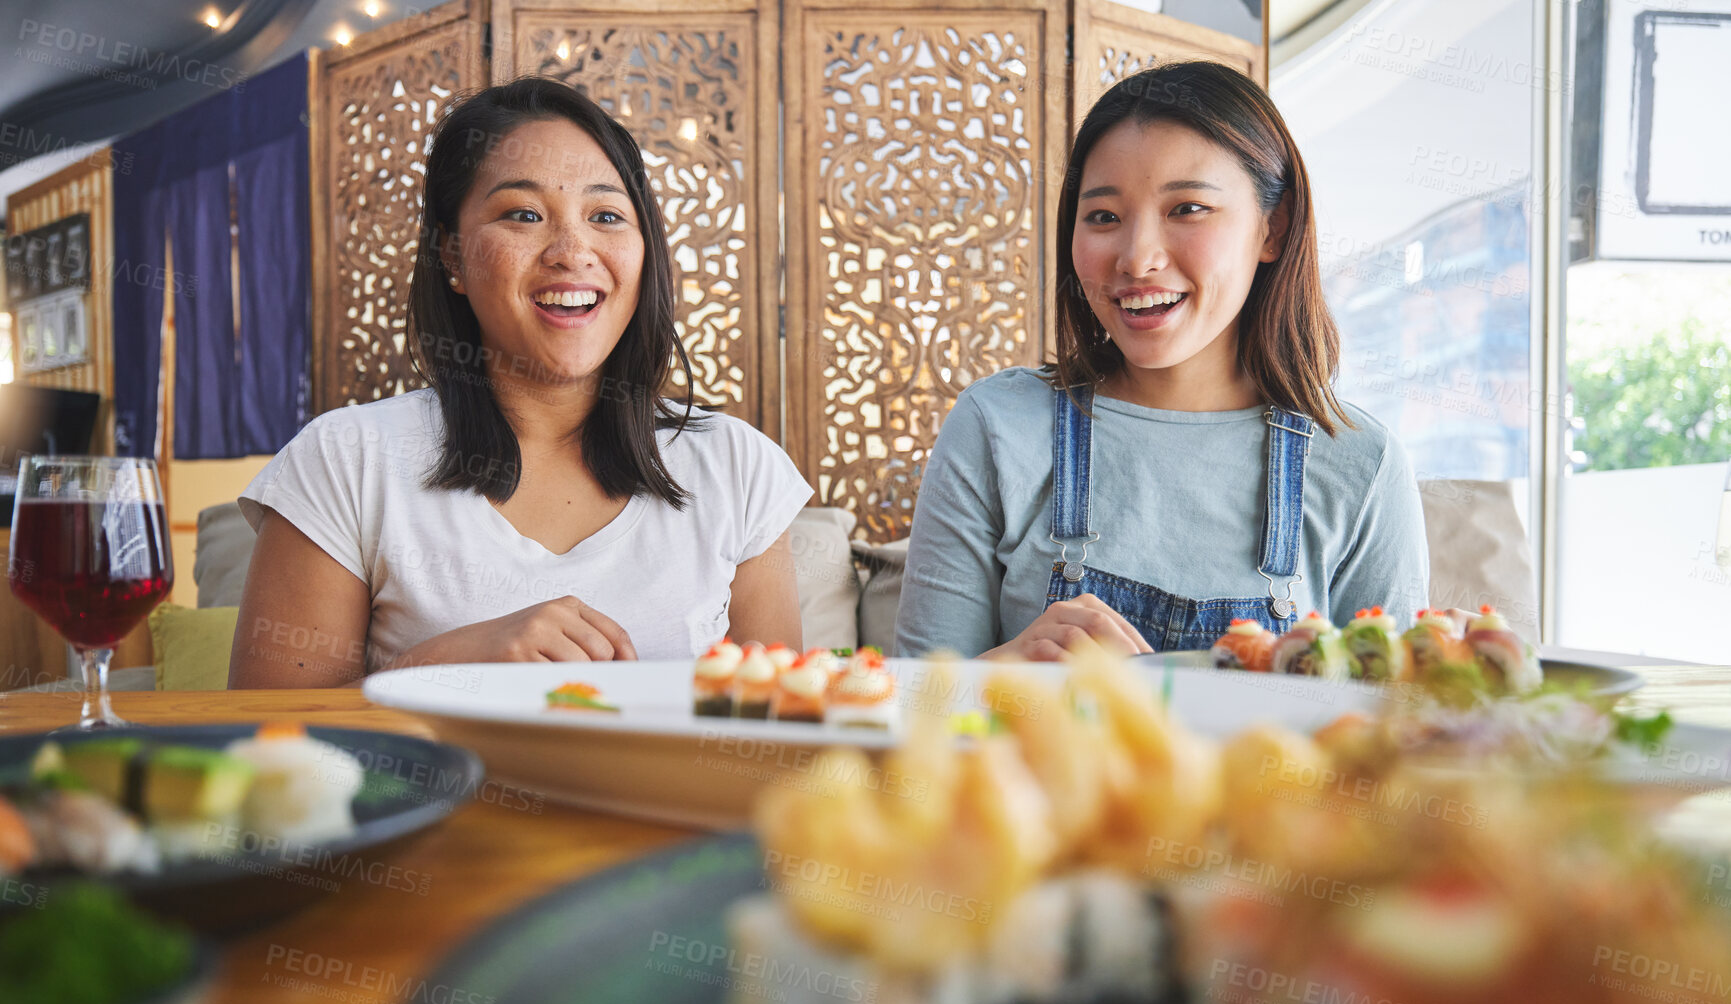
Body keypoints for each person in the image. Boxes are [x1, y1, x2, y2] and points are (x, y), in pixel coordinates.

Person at [231, 78, 810, 688]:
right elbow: (264, 745)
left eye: (607, 215)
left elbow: (779, 739)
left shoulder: (738, 467)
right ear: (452, 257)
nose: (572, 250)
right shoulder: (346, 461)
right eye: (524, 214)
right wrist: (449, 664)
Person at [895, 61, 1428, 661]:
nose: (1137, 257)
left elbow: (1388, 734)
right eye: (1103, 217)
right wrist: (1006, 671)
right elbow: (914, 713)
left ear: (1271, 230)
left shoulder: (1361, 465)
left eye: (1188, 209)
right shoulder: (996, 425)